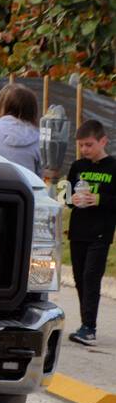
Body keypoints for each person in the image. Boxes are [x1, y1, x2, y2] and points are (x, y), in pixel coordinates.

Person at [65, 119, 116, 346]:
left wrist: (99, 199)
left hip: (100, 233)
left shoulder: (113, 167)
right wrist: (72, 199)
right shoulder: (77, 167)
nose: (84, 150)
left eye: (89, 144)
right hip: (78, 232)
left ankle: (89, 328)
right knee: (79, 279)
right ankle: (86, 323)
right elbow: (65, 196)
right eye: (81, 145)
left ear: (103, 141)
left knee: (91, 277)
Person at [0, 84, 42, 175]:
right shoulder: (39, 139)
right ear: (33, 110)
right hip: (25, 187)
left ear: (3, 106)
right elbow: (41, 175)